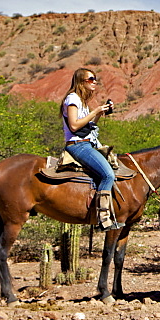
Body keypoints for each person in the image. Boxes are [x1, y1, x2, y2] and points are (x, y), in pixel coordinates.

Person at [61, 67, 120, 231]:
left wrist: (100, 112)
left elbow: (88, 127)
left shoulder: (81, 101)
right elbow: (74, 126)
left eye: (95, 79)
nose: (95, 82)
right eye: (90, 79)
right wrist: (95, 110)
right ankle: (103, 218)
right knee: (108, 175)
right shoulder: (72, 99)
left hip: (88, 142)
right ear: (81, 81)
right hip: (78, 145)